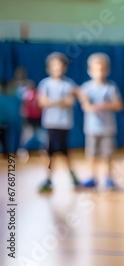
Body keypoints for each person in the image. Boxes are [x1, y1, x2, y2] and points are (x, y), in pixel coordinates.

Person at [77, 53, 123, 190]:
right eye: (96, 69)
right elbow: (85, 105)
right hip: (91, 128)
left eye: (102, 69)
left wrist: (102, 105)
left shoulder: (111, 87)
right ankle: (92, 177)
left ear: (107, 70)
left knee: (107, 154)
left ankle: (108, 177)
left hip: (107, 128)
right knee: (91, 153)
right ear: (90, 71)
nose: (99, 72)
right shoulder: (86, 87)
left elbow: (118, 105)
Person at [37, 52, 80, 193]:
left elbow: (70, 101)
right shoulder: (45, 84)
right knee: (49, 152)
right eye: (54, 67)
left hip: (64, 124)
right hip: (50, 124)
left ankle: (72, 175)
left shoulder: (69, 84)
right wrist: (60, 101)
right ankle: (48, 179)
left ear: (65, 68)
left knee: (64, 151)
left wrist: (54, 102)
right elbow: (43, 102)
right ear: (49, 68)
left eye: (60, 67)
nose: (58, 69)